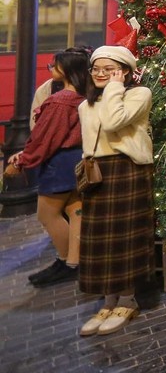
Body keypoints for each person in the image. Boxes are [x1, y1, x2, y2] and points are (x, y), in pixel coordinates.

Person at [74, 46, 155, 336]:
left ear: (125, 72)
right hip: (98, 173)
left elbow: (113, 121)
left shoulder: (138, 94)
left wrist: (115, 86)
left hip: (127, 170)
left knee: (124, 239)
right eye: (96, 69)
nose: (100, 74)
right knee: (100, 242)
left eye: (109, 69)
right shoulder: (86, 105)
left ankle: (127, 299)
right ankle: (107, 301)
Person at [4, 48, 90, 287]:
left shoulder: (60, 101)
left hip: (59, 163)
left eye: (56, 64)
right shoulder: (84, 97)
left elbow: (44, 138)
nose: (52, 67)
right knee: (75, 212)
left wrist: (21, 162)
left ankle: (65, 261)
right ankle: (74, 261)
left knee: (47, 214)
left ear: (68, 70)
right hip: (76, 159)